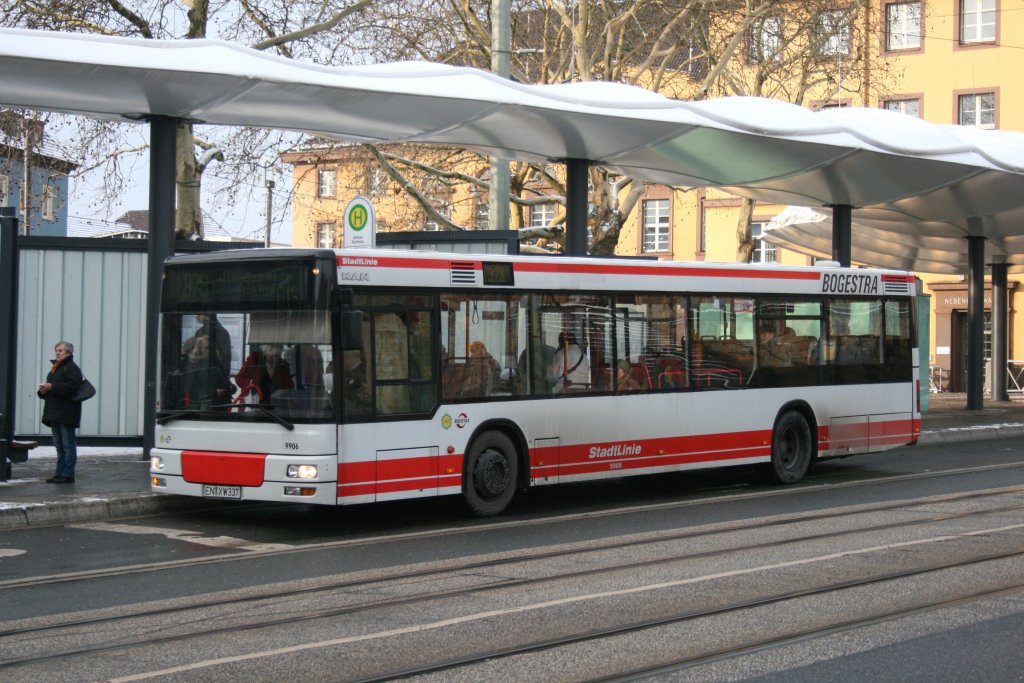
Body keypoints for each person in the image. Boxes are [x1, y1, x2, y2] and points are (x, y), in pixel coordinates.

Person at [37, 340, 84, 484]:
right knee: (59, 446)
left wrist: (52, 386)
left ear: (68, 352)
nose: (57, 353)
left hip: (66, 412)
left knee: (68, 445)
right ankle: (59, 473)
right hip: (55, 412)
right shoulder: (55, 368)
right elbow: (53, 389)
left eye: (60, 350)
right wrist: (43, 391)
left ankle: (68, 474)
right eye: (56, 350)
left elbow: (72, 387)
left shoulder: (71, 368)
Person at [182, 335, 234, 409]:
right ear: (199, 350)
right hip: (203, 407)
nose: (209, 351)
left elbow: (223, 380)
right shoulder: (193, 366)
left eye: (211, 348)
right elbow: (192, 389)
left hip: (222, 405)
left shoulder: (216, 363)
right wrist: (214, 393)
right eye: (206, 348)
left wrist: (230, 387)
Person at [342, 349, 371, 414]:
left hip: (360, 403)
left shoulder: (360, 370)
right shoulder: (349, 370)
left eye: (345, 359)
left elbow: (359, 386)